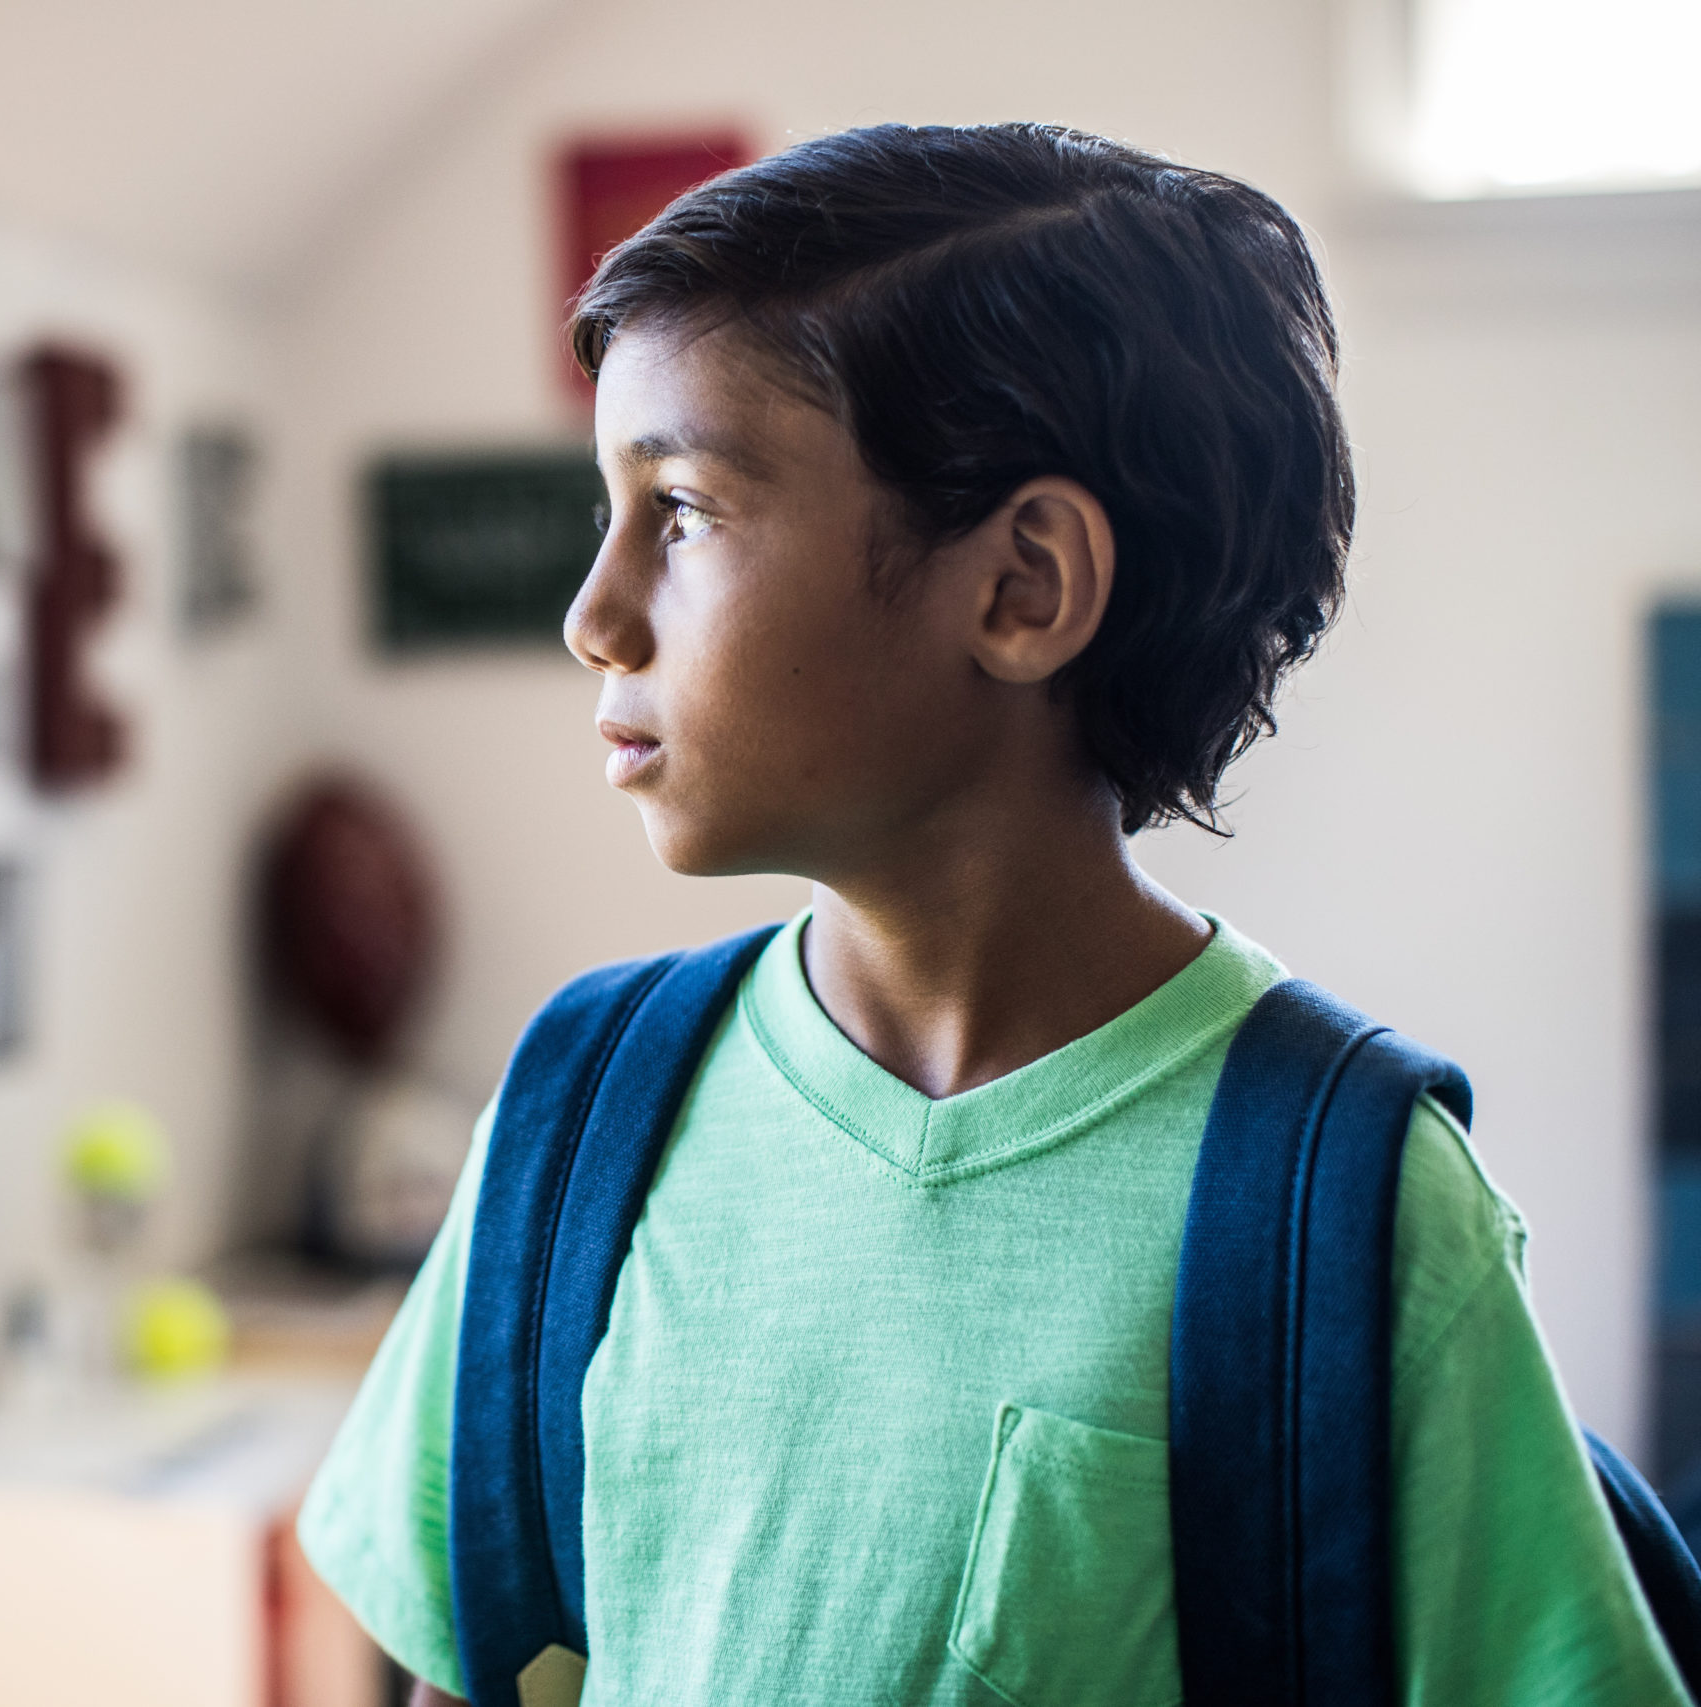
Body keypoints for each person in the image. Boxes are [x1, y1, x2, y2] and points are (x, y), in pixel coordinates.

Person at [293, 124, 1691, 1706]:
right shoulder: (580, 1114)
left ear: (1023, 587)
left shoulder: (1337, 1214)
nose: (593, 615)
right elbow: (457, 1659)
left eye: (680, 512)